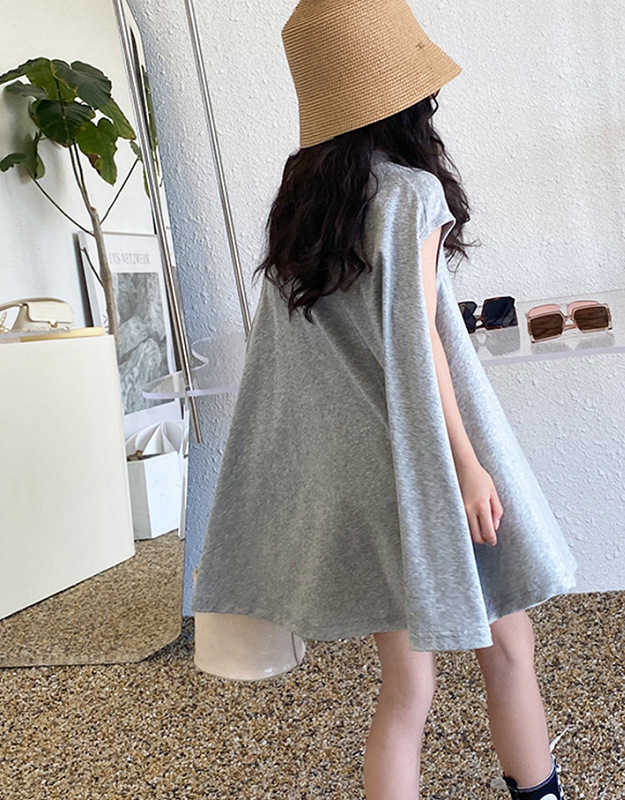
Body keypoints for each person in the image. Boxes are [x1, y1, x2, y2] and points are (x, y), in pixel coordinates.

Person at [192, 1, 579, 798]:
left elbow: (291, 363)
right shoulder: (411, 194)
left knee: (408, 690)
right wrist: (466, 464)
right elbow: (419, 339)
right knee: (510, 647)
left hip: (358, 478)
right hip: (425, 461)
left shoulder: (301, 208)